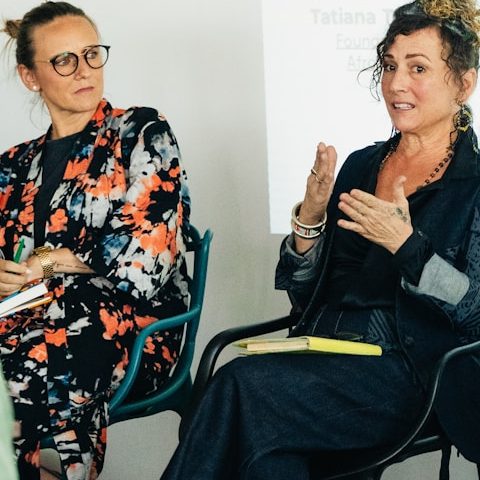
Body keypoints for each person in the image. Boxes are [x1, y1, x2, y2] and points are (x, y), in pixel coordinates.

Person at [160, 1, 480, 479]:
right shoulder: (360, 165)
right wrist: (309, 222)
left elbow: (474, 309)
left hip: (413, 374)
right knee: (267, 454)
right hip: (324, 352)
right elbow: (306, 296)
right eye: (390, 66)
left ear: (463, 84)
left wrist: (407, 246)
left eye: (418, 68)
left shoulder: (473, 185)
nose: (396, 84)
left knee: (239, 386)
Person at [0, 2, 190, 479]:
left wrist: (51, 261)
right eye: (64, 60)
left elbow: (145, 256)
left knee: (23, 373)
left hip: (129, 328)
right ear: (30, 77)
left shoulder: (140, 132)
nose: (84, 70)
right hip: (23, 322)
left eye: (91, 54)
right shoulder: (12, 166)